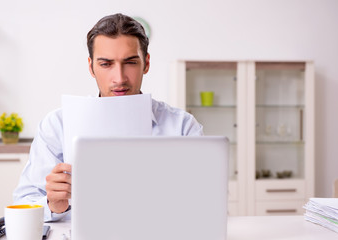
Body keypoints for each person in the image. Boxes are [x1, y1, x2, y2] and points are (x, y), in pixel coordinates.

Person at [13, 13, 203, 222]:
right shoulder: (57, 125)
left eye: (130, 62)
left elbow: (208, 203)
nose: (119, 78)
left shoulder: (182, 127)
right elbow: (25, 201)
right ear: (91, 67)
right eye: (106, 64)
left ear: (146, 64)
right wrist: (53, 205)